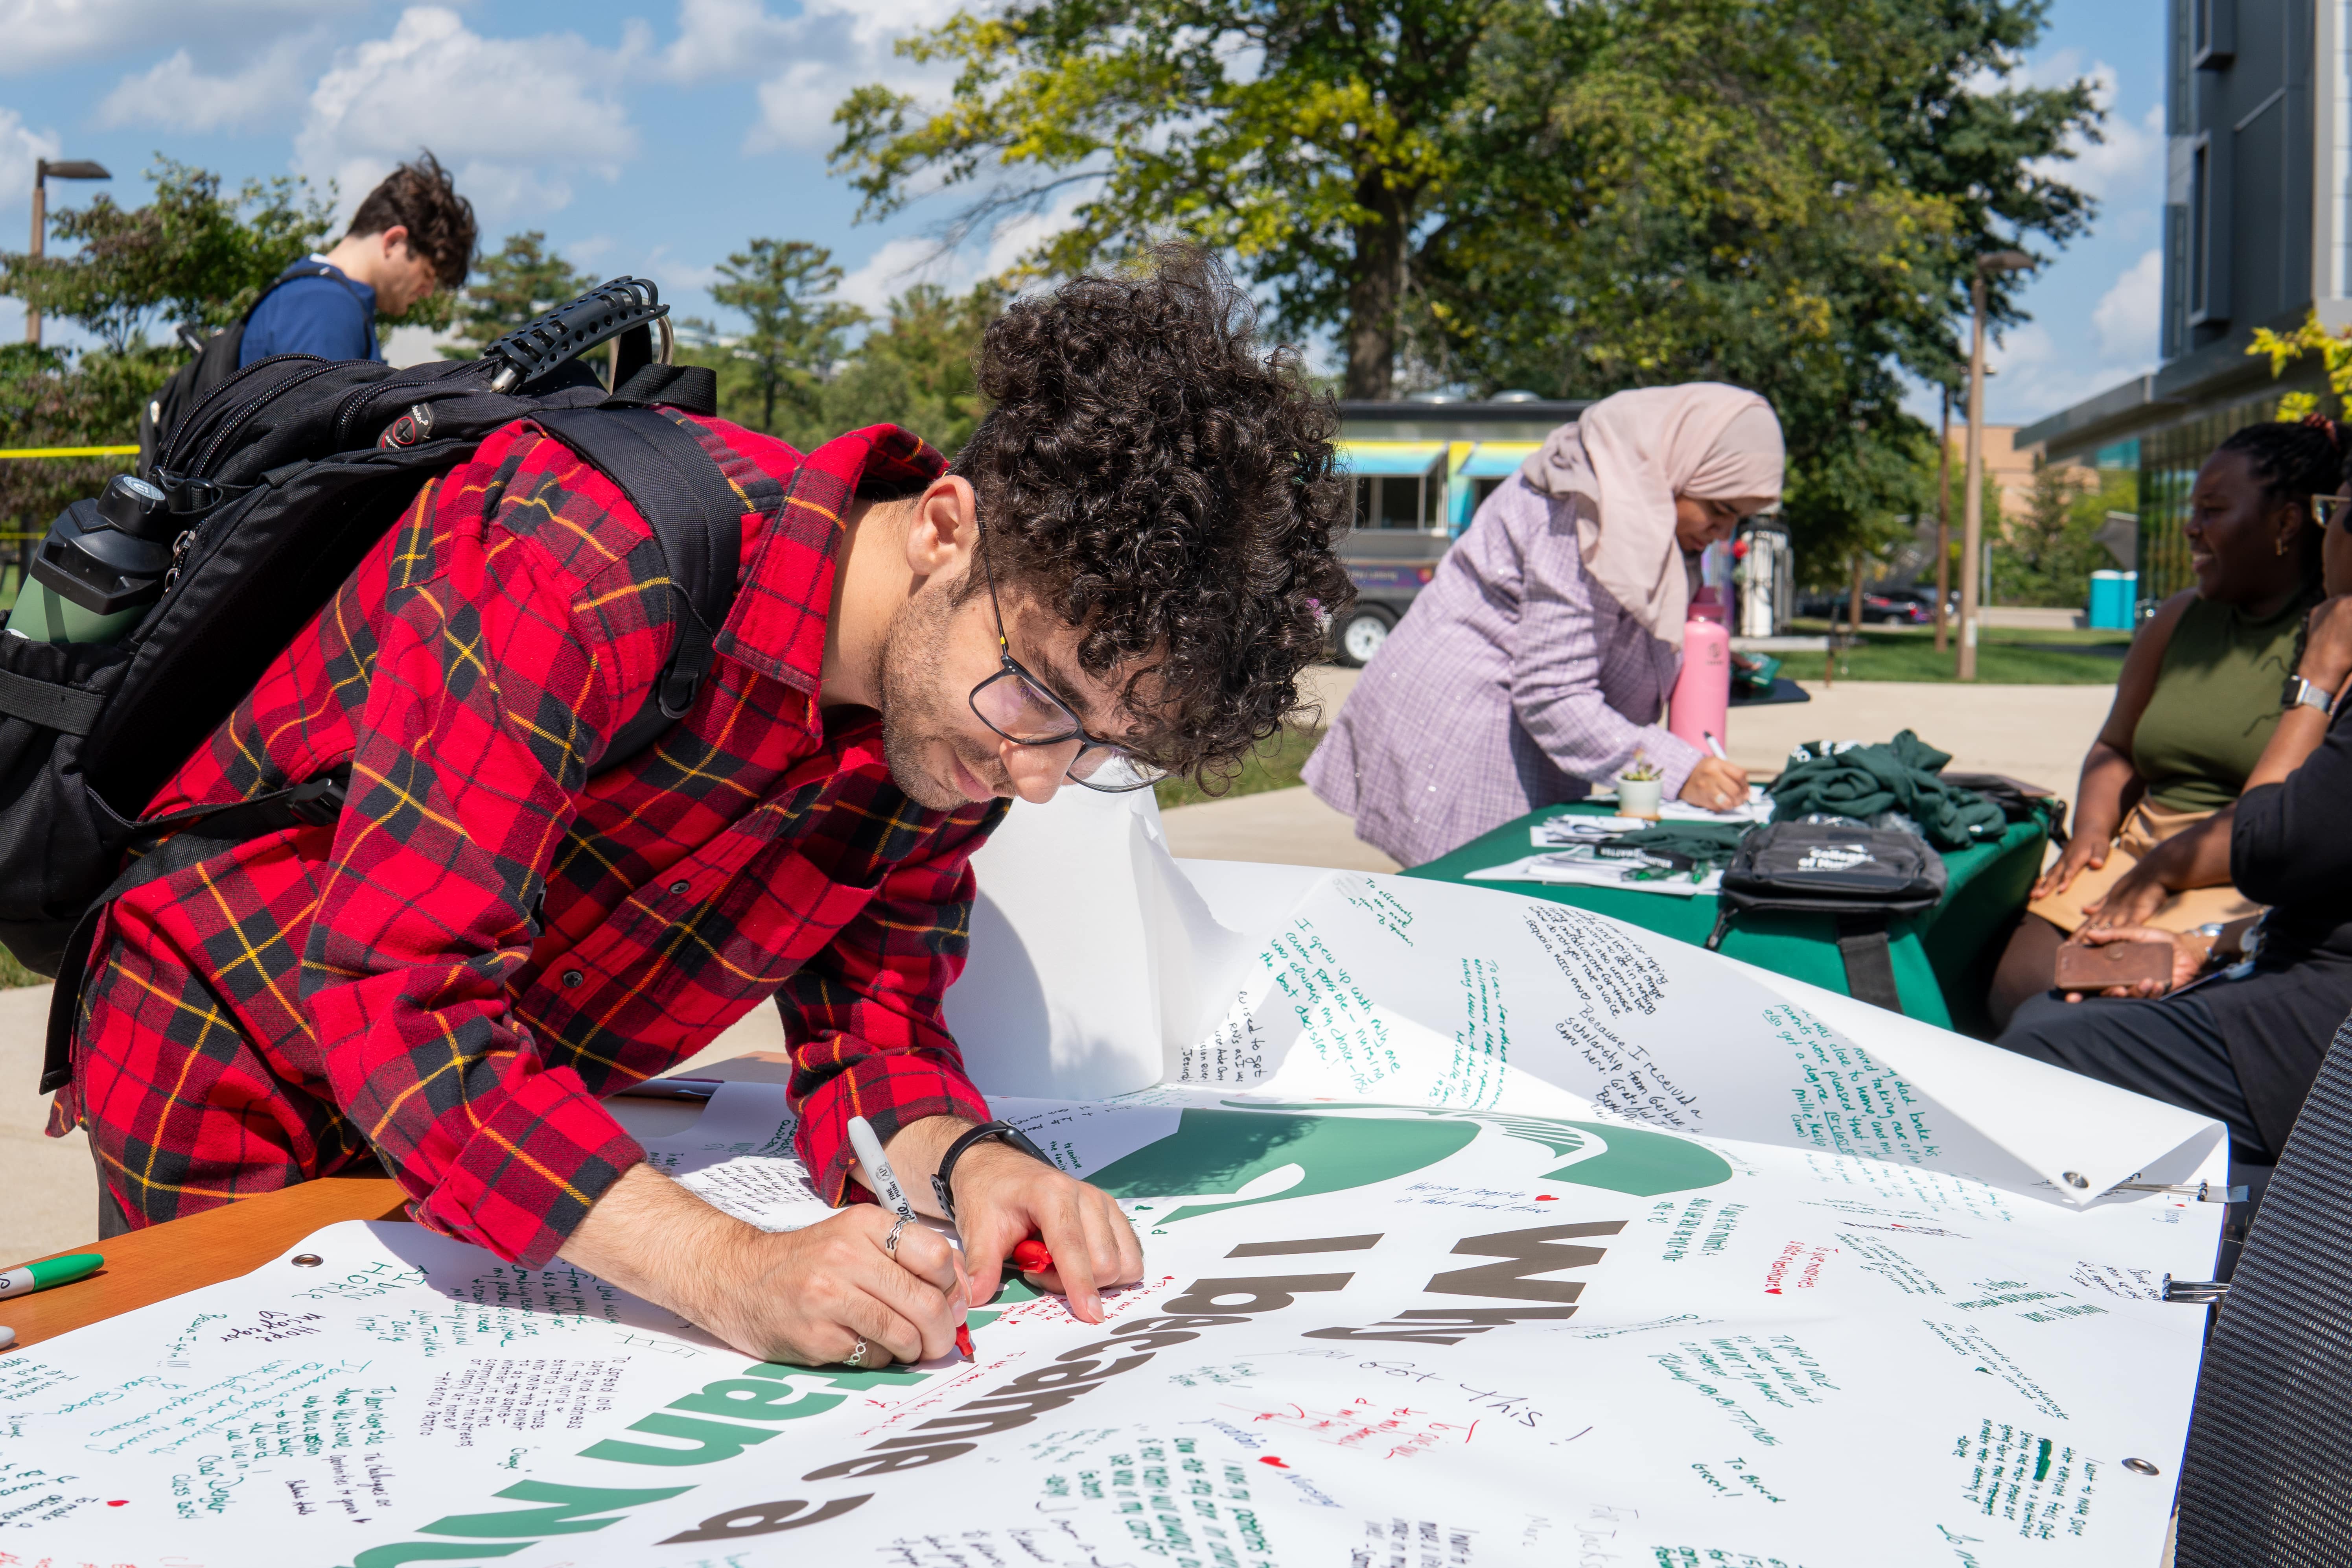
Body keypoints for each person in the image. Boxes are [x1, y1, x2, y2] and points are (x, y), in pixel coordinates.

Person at [53, 247, 1353, 1368]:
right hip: (241, 1047)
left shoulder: (952, 730)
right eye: (1038, 695)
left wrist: (968, 1161)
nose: (1037, 777)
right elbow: (407, 990)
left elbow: (873, 1031)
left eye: (1101, 746)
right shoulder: (595, 548)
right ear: (949, 527)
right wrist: (730, 1268)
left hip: (504, 1114)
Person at [1995, 449, 2352, 1168]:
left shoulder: (2329, 651)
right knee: (2029, 987)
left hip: (2282, 971)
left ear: (2287, 525)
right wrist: (2095, 835)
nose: (2191, 530)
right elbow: (2117, 745)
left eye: (2213, 511)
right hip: (2239, 909)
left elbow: (2272, 846)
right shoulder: (2183, 620)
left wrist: (2314, 679)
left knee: (2039, 1042)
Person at [1305, 383, 1781, 867]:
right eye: (1719, 510)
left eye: (1738, 518)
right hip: (1468, 735)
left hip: (1508, 723)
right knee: (1476, 911)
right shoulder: (1588, 506)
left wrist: (1699, 664)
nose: (1725, 533)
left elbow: (1614, 628)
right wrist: (1679, 772)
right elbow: (1553, 692)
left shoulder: (1645, 506)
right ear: (1674, 468)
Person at [239, 151, 475, 366]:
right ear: (394, 242)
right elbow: (315, 412)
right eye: (427, 275)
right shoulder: (326, 306)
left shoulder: (311, 295)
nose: (427, 292)